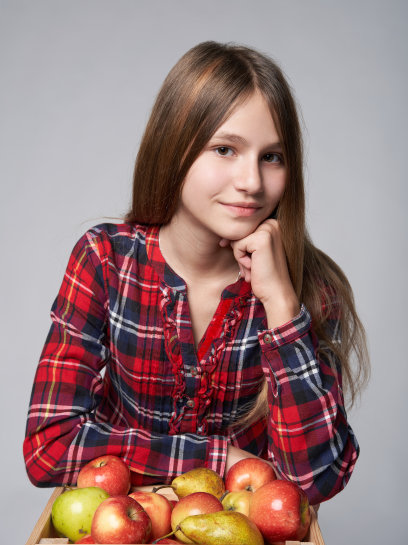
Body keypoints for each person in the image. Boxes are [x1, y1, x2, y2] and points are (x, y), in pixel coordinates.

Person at [23, 41, 369, 506]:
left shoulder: (312, 287)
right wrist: (216, 459)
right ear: (174, 148)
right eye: (225, 149)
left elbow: (315, 482)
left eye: (272, 157)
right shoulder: (106, 261)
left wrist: (283, 308)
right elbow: (48, 445)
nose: (251, 182)